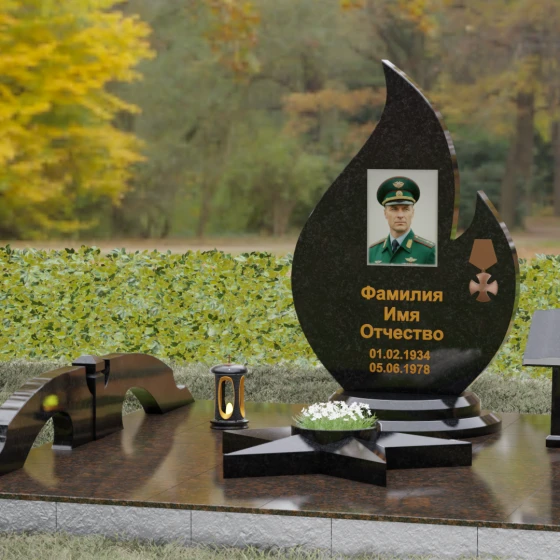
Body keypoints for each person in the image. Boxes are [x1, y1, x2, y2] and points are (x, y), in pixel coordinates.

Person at [368, 176, 436, 265]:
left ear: (412, 213)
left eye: (406, 209)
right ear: (385, 213)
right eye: (394, 209)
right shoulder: (372, 252)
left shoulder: (428, 252)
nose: (400, 215)